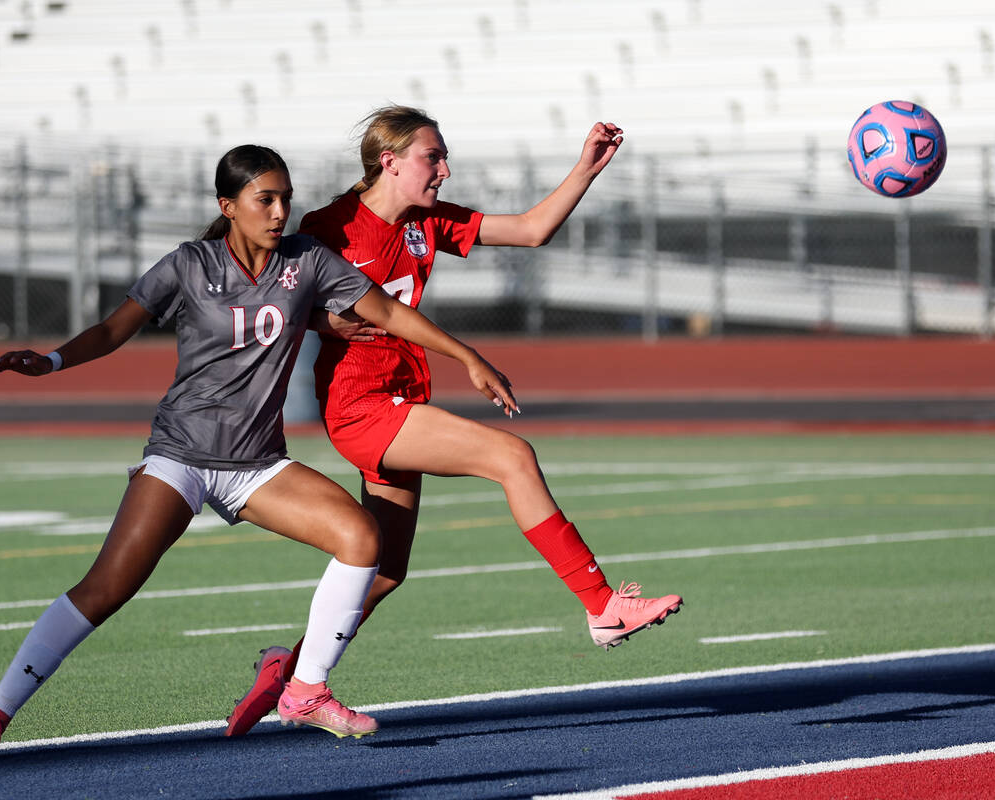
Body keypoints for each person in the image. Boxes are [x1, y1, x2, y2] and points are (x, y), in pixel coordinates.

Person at [0, 143, 518, 762]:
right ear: (228, 206)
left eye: (286, 199)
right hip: (182, 456)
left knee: (362, 538)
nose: (280, 213)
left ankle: (305, 689)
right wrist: (53, 360)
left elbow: (385, 310)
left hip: (256, 465)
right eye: (264, 199)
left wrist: (467, 356)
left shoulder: (307, 260)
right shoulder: (190, 264)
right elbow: (117, 327)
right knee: (108, 586)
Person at [223, 107, 682, 738]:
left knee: (383, 570)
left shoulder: (426, 222)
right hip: (360, 405)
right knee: (512, 456)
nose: (444, 168)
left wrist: (585, 169)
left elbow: (530, 229)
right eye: (432, 157)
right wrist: (323, 322)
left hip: (400, 397)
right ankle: (602, 606)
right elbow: (269, 300)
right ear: (389, 162)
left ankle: (292, 674)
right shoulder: (328, 226)